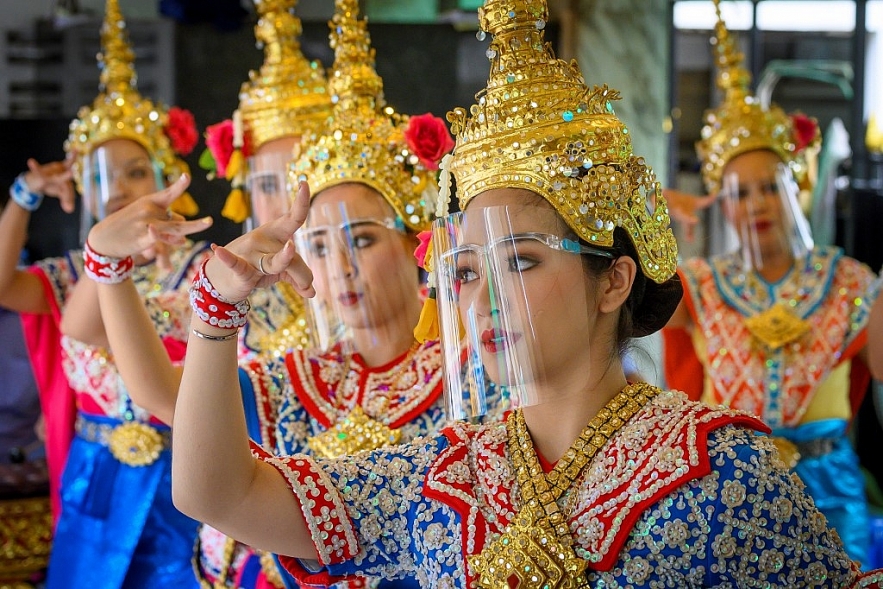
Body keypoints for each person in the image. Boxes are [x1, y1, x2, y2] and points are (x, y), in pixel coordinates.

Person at [145, 0, 883, 585]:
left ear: (613, 279)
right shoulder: (443, 473)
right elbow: (219, 495)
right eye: (464, 271)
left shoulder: (718, 470)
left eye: (520, 261)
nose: (482, 300)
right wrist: (217, 309)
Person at [87, 1, 460, 587]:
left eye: (361, 241)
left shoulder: (469, 369)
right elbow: (166, 397)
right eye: (319, 244)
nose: (338, 267)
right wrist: (108, 265)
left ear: (417, 242)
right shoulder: (298, 376)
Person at [662, 0, 883, 568]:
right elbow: (622, 303)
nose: (756, 204)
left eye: (769, 187)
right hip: (728, 490)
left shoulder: (849, 282)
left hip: (829, 487)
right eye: (739, 192)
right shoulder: (701, 284)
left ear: (793, 189)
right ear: (721, 204)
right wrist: (650, 213)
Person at [0, 1, 211, 587]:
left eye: (137, 173)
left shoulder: (207, 271)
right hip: (96, 467)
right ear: (84, 194)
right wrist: (25, 194)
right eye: (101, 177)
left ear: (166, 178)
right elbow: (17, 295)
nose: (119, 188)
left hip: (182, 469)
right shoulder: (73, 274)